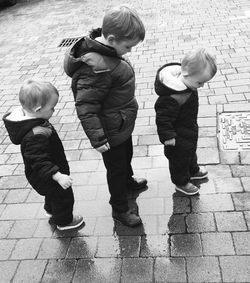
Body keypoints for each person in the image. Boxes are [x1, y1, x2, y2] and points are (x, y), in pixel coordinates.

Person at [64, 4, 147, 227]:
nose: (130, 50)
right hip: (109, 132)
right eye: (128, 46)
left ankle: (127, 182)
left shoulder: (108, 53)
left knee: (126, 158)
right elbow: (86, 106)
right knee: (116, 169)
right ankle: (120, 208)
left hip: (120, 124)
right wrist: (99, 139)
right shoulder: (96, 68)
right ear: (110, 38)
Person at [3, 79, 84, 231]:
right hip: (47, 174)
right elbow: (39, 161)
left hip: (45, 174)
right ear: (38, 109)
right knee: (63, 196)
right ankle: (64, 221)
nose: (54, 111)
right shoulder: (35, 134)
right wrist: (57, 175)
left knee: (52, 193)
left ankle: (50, 209)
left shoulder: (34, 119)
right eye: (52, 108)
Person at [154, 48, 217, 195]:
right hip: (176, 137)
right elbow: (162, 118)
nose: (201, 86)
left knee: (190, 152)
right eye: (200, 82)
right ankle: (181, 182)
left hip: (188, 129)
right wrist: (168, 137)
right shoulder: (172, 96)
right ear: (187, 74)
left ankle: (193, 170)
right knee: (179, 160)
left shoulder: (189, 84)